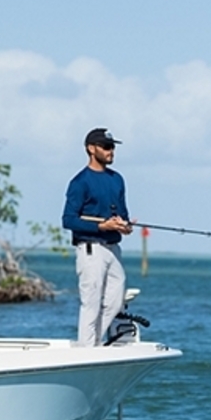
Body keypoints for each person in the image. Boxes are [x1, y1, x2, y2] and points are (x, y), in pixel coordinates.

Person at [62, 128, 133, 346]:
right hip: (91, 249)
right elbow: (68, 220)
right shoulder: (80, 182)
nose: (111, 151)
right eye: (106, 147)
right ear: (91, 149)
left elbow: (123, 214)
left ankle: (94, 343)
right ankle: (87, 348)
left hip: (113, 248)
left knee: (115, 300)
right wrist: (102, 226)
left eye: (112, 147)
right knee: (91, 302)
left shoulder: (117, 179)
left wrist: (125, 226)